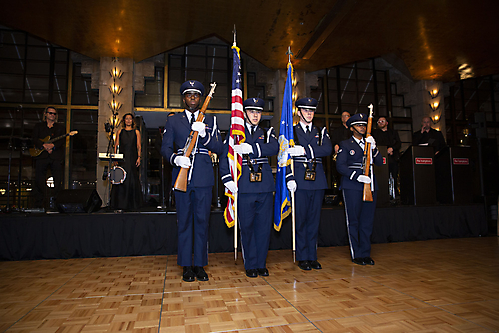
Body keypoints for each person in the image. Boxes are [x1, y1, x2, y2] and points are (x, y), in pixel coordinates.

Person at [161, 80, 223, 282]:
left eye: (197, 94)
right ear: (184, 98)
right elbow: (165, 148)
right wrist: (175, 159)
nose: (193, 98)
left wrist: (204, 135)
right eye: (189, 94)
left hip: (204, 178)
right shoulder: (173, 121)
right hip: (182, 176)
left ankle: (200, 265)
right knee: (185, 222)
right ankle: (187, 265)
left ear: (201, 98)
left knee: (203, 222)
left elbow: (220, 148)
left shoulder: (210, 120)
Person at [220, 98, 278, 278]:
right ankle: (251, 264)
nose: (255, 115)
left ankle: (261, 263)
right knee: (247, 227)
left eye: (258, 112)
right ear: (244, 113)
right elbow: (224, 157)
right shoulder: (235, 133)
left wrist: (252, 148)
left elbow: (274, 147)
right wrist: (227, 179)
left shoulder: (267, 132)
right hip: (243, 186)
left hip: (265, 186)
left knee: (263, 227)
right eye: (252, 112)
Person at [286, 97, 332, 271]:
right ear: (299, 112)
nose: (309, 113)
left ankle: (312, 256)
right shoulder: (292, 132)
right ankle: (302, 256)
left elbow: (327, 149)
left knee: (314, 221)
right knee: (301, 220)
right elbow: (285, 157)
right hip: (299, 180)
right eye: (305, 110)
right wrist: (289, 177)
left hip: (317, 180)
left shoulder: (321, 131)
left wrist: (305, 150)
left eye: (311, 111)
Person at [336, 113, 383, 265]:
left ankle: (365, 253)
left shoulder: (369, 143)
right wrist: (356, 176)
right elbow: (341, 166)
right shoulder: (345, 144)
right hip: (353, 185)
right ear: (351, 128)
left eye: (364, 125)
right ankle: (356, 253)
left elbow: (379, 162)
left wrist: (374, 148)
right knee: (354, 220)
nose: (362, 128)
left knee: (367, 221)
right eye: (358, 125)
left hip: (369, 185)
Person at [31, 106, 65, 209]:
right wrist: (43, 146)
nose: (52, 115)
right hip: (42, 156)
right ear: (45, 114)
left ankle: (55, 203)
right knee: (39, 180)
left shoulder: (60, 128)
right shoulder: (39, 126)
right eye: (50, 113)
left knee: (58, 179)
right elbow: (34, 139)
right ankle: (40, 203)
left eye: (54, 114)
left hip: (55, 157)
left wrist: (53, 146)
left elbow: (62, 141)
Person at [111, 113, 142, 211]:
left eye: (130, 119)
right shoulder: (120, 131)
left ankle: (132, 204)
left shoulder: (136, 132)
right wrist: (115, 158)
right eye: (126, 119)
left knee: (132, 178)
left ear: (133, 121)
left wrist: (139, 157)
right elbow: (116, 145)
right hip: (122, 158)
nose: (128, 120)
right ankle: (120, 204)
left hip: (132, 158)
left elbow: (138, 146)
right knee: (121, 179)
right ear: (124, 121)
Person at [372, 116, 401, 198]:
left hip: (393, 158)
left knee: (394, 176)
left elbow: (398, 143)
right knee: (382, 177)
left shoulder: (393, 132)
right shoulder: (375, 133)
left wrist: (392, 148)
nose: (381, 123)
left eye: (382, 121)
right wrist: (385, 151)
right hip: (381, 159)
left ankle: (395, 194)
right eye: (379, 122)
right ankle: (382, 195)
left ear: (387, 123)